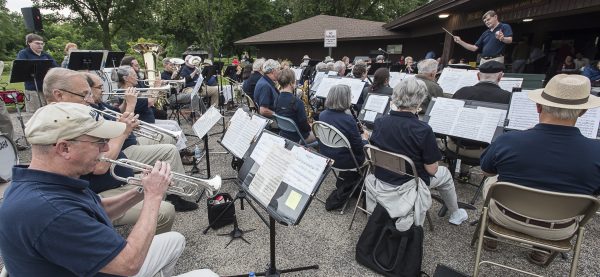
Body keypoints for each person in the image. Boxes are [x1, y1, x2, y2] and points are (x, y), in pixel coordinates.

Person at [0, 102, 218, 277]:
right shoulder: (52, 211)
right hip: (116, 265)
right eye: (99, 141)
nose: (106, 148)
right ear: (64, 148)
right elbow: (128, 264)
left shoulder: (43, 180)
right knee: (207, 274)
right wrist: (153, 197)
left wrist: (141, 190)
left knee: (175, 240)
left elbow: (98, 208)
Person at [479, 74, 600, 264]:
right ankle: (542, 250)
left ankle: (490, 236)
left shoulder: (509, 140)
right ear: (583, 112)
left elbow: (487, 171)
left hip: (506, 216)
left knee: (492, 182)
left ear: (538, 107)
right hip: (561, 227)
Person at [368, 78, 468, 226]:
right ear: (420, 101)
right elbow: (432, 169)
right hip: (408, 183)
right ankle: (455, 213)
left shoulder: (380, 121)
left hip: (382, 177)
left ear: (396, 97)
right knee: (445, 173)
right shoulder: (423, 129)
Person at [318, 84, 369, 211]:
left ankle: (348, 183)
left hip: (328, 157)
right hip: (347, 161)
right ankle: (362, 188)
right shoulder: (348, 119)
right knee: (371, 154)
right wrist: (365, 139)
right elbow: (359, 148)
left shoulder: (323, 114)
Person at [449, 61, 510, 160]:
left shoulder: (462, 91)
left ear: (478, 76)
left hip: (454, 147)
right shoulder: (508, 97)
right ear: (500, 77)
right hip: (486, 151)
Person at [16, 33, 58, 112]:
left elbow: (56, 68)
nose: (40, 45)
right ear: (29, 43)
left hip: (47, 87)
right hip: (32, 88)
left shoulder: (46, 55)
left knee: (49, 111)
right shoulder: (23, 53)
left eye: (42, 44)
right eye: (37, 43)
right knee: (35, 113)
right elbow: (21, 68)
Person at [274, 68, 316, 144]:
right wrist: (312, 126)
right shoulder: (297, 102)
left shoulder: (277, 98)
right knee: (320, 133)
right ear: (291, 83)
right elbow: (305, 128)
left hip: (283, 134)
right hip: (298, 138)